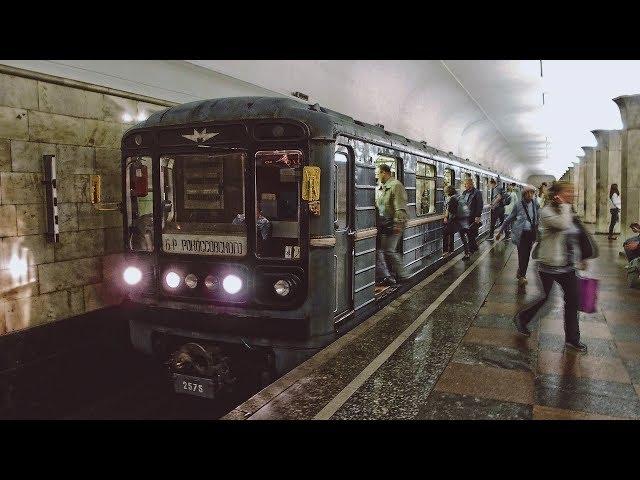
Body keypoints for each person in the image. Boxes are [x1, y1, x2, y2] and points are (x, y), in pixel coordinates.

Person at [513, 181, 596, 354]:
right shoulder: (547, 212)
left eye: (573, 191)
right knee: (545, 299)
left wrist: (582, 255)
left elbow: (575, 233)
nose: (572, 194)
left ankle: (573, 340)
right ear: (557, 194)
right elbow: (563, 225)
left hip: (568, 266)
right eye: (568, 191)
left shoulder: (568, 211)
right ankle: (522, 318)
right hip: (548, 266)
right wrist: (566, 206)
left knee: (573, 301)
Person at [496, 185, 539, 286]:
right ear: (524, 194)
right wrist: (500, 231)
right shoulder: (518, 205)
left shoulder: (535, 204)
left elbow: (538, 217)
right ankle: (523, 276)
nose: (530, 195)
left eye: (532, 193)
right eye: (527, 193)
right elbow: (509, 218)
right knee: (522, 254)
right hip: (521, 233)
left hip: (531, 233)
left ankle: (521, 270)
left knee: (527, 255)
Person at [376, 164, 408, 285]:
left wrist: (398, 225)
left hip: (394, 223)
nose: (378, 176)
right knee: (384, 250)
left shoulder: (396, 185)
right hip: (385, 224)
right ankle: (389, 275)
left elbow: (400, 207)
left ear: (384, 173)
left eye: (379, 173)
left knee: (389, 250)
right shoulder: (382, 187)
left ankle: (404, 275)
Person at [460, 177, 484, 257]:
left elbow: (480, 204)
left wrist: (478, 216)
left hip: (472, 216)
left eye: (466, 184)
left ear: (470, 184)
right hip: (465, 216)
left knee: (471, 233)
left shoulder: (477, 193)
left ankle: (471, 250)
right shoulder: (464, 192)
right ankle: (474, 248)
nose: (465, 185)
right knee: (469, 233)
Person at [443, 185, 469, 257]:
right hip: (463, 220)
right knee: (463, 237)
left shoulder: (452, 199)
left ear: (449, 192)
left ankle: (445, 251)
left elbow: (450, 210)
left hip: (455, 220)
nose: (445, 193)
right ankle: (467, 253)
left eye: (446, 191)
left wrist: (446, 217)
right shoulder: (460, 196)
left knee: (445, 233)